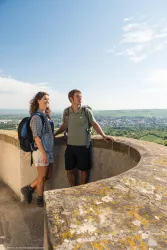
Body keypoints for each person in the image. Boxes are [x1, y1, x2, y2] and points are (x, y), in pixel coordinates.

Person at [55, 89, 114, 186]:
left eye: (81, 96)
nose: (80, 98)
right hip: (70, 146)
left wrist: (103, 136)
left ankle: (80, 190)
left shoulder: (86, 111)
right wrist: (55, 134)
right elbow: (64, 125)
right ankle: (73, 188)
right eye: (77, 96)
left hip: (84, 145)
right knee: (69, 169)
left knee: (84, 170)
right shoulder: (66, 112)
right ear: (71, 98)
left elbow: (94, 124)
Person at [21, 92, 54, 207]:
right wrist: (44, 153)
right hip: (41, 151)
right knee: (42, 177)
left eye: (48, 99)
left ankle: (29, 188)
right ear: (38, 100)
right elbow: (36, 137)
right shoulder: (36, 117)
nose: (47, 101)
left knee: (48, 175)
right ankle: (40, 200)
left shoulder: (45, 116)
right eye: (44, 99)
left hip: (48, 151)